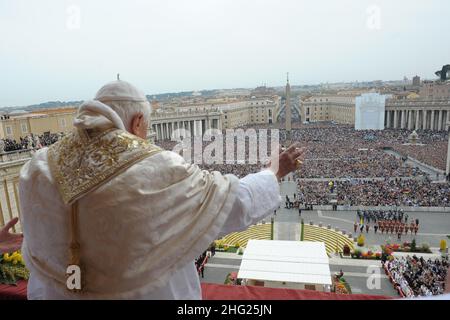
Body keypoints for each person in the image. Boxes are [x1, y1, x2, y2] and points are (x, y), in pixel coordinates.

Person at [19, 80, 306, 300]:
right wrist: (273, 172)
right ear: (138, 123)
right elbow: (234, 203)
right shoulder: (156, 167)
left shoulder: (39, 166)